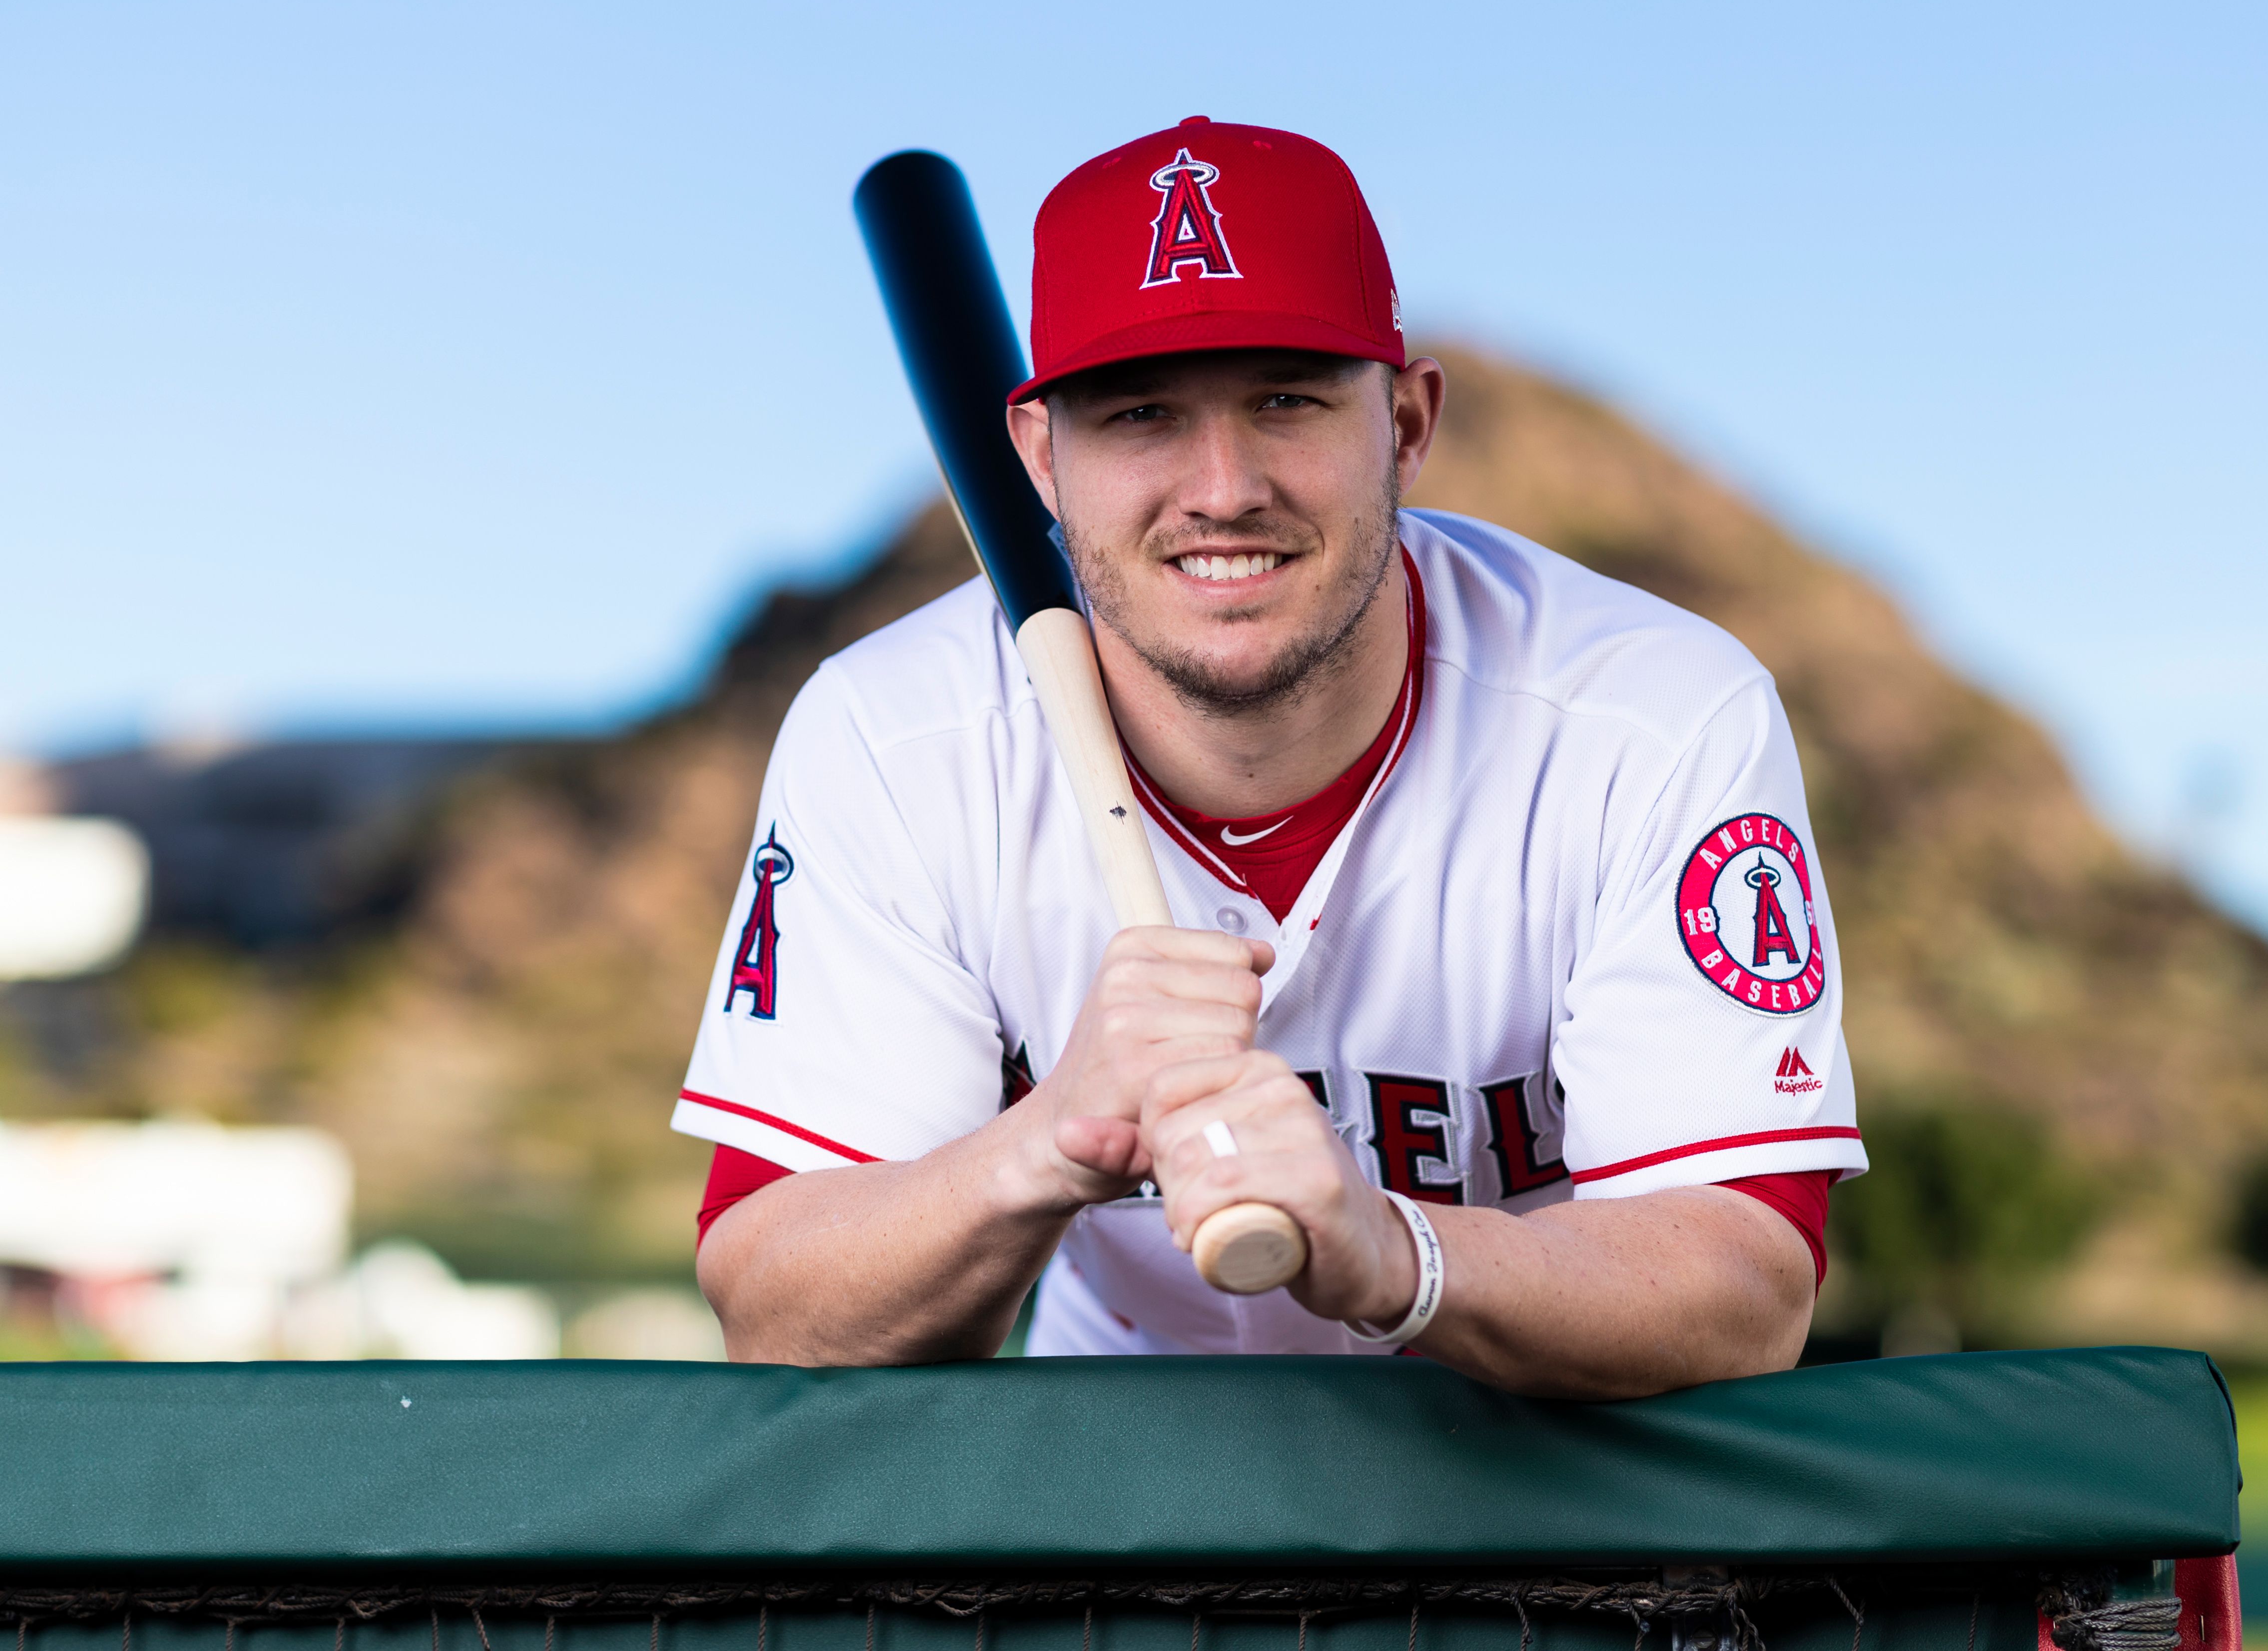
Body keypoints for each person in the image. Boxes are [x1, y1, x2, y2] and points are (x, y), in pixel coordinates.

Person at [673, 117, 1865, 1399]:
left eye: (1284, 398)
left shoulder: (1646, 715)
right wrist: (1049, 1141)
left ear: (1405, 422)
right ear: (1039, 460)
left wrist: (1389, 1252)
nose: (1223, 486)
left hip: (1535, 1465)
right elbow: (774, 1302)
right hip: (1117, 1472)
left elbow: (1744, 1286)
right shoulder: (897, 738)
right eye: (1141, 415)